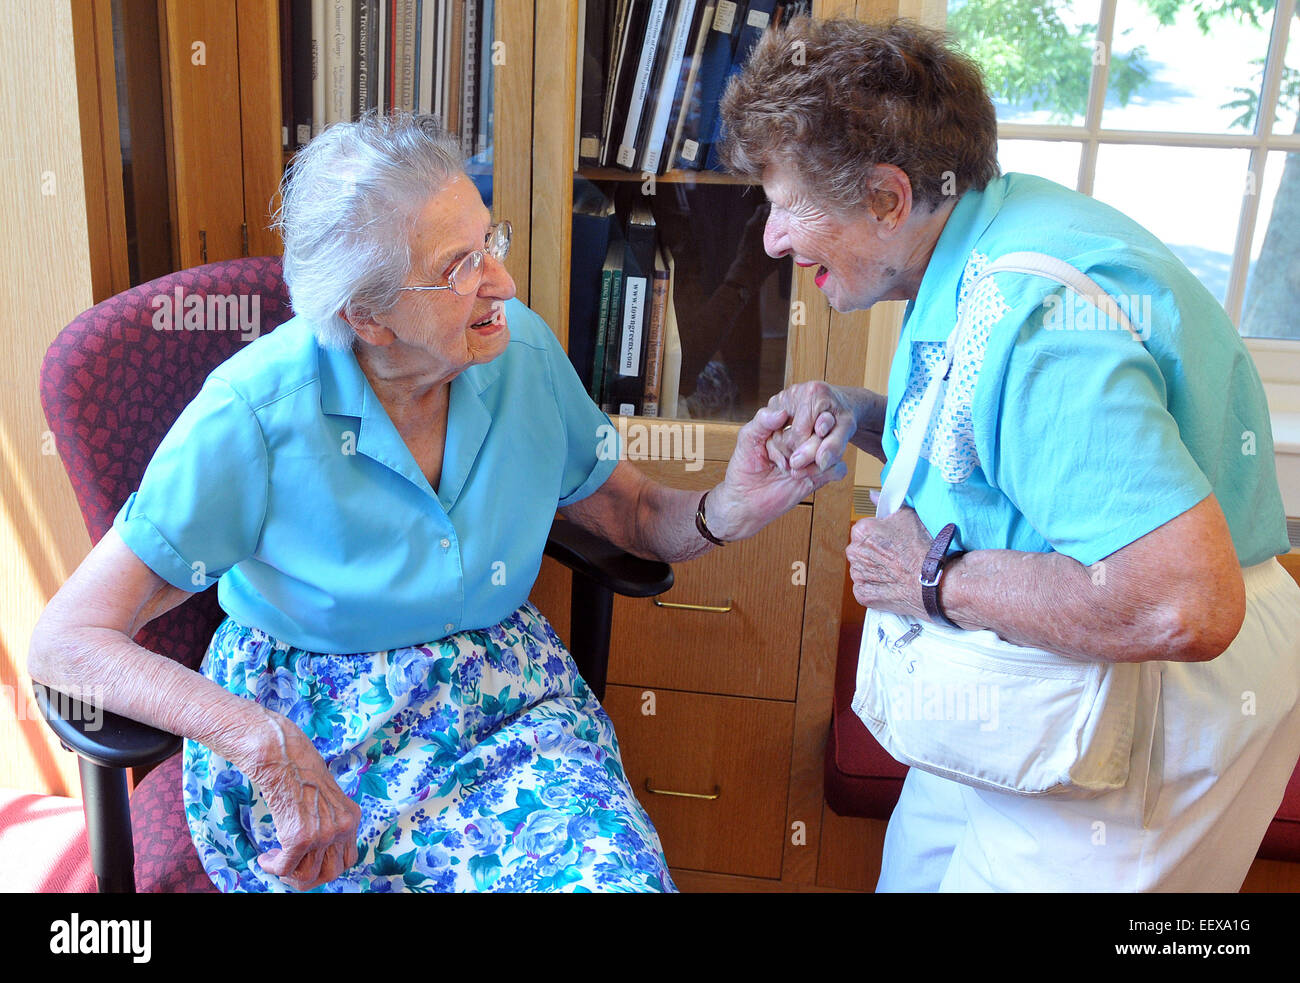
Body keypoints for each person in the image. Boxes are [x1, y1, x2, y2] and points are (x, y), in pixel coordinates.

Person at [27, 113, 841, 893]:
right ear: (368, 316)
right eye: (460, 267)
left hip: (507, 717)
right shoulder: (254, 412)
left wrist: (727, 506)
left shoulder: (516, 349)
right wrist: (257, 740)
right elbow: (65, 642)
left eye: (489, 242)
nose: (504, 282)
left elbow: (628, 514)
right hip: (312, 739)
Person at [718, 17, 1300, 892]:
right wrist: (863, 413)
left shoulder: (1032, 321)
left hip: (1154, 684)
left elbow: (1185, 602)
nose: (772, 238)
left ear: (886, 196)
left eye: (789, 203)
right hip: (1035, 672)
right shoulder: (971, 235)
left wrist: (931, 580)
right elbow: (1002, 444)